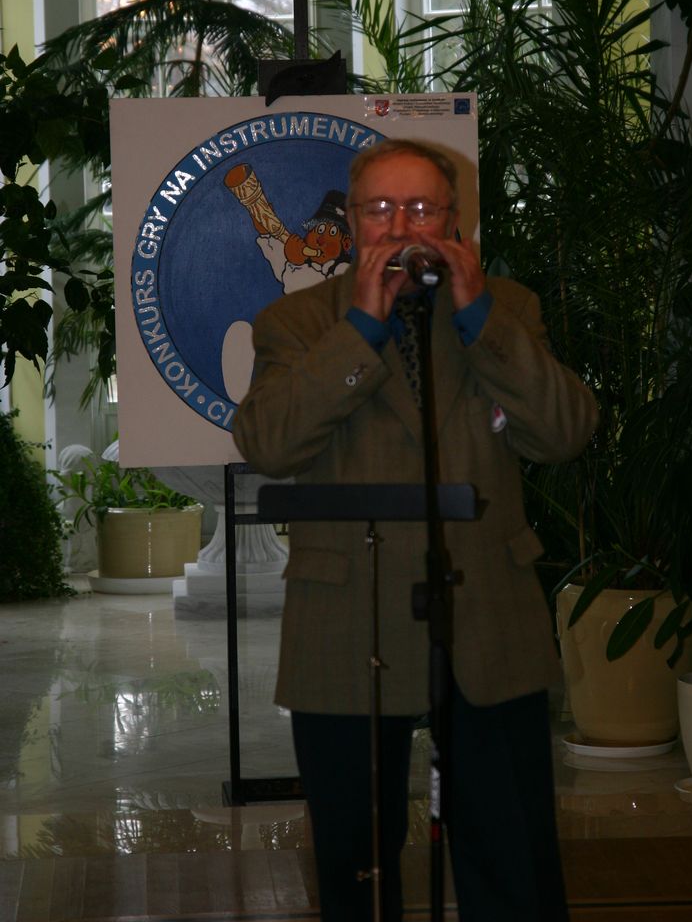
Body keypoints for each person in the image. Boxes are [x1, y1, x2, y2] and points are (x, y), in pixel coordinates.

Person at [233, 138, 598, 922]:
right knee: (356, 866)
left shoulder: (507, 307)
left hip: (485, 613)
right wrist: (360, 328)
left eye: (423, 208)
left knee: (512, 860)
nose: (402, 227)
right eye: (381, 209)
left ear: (455, 221)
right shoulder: (298, 321)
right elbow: (268, 445)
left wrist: (479, 318)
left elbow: (565, 434)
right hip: (346, 619)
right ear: (352, 224)